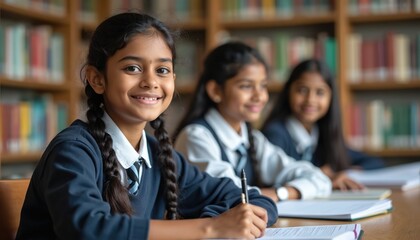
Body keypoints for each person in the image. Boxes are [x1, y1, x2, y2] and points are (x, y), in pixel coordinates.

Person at [16, 13, 278, 240]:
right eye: (133, 68)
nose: (151, 81)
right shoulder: (73, 150)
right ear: (97, 79)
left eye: (162, 70)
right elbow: (88, 230)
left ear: (173, 79)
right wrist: (209, 227)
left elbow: (255, 200)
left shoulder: (159, 155)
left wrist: (222, 220)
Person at [173, 41, 332, 203]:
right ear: (216, 91)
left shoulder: (252, 138)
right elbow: (230, 193)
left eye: (263, 86)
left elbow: (319, 180)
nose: (259, 96)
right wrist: (277, 193)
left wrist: (282, 193)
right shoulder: (195, 137)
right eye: (246, 86)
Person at [261, 59, 384, 190]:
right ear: (288, 92)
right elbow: (275, 181)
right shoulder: (275, 134)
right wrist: (322, 176)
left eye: (320, 92)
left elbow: (375, 162)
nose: (310, 100)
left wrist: (344, 172)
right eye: (302, 90)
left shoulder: (322, 135)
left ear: (331, 98)